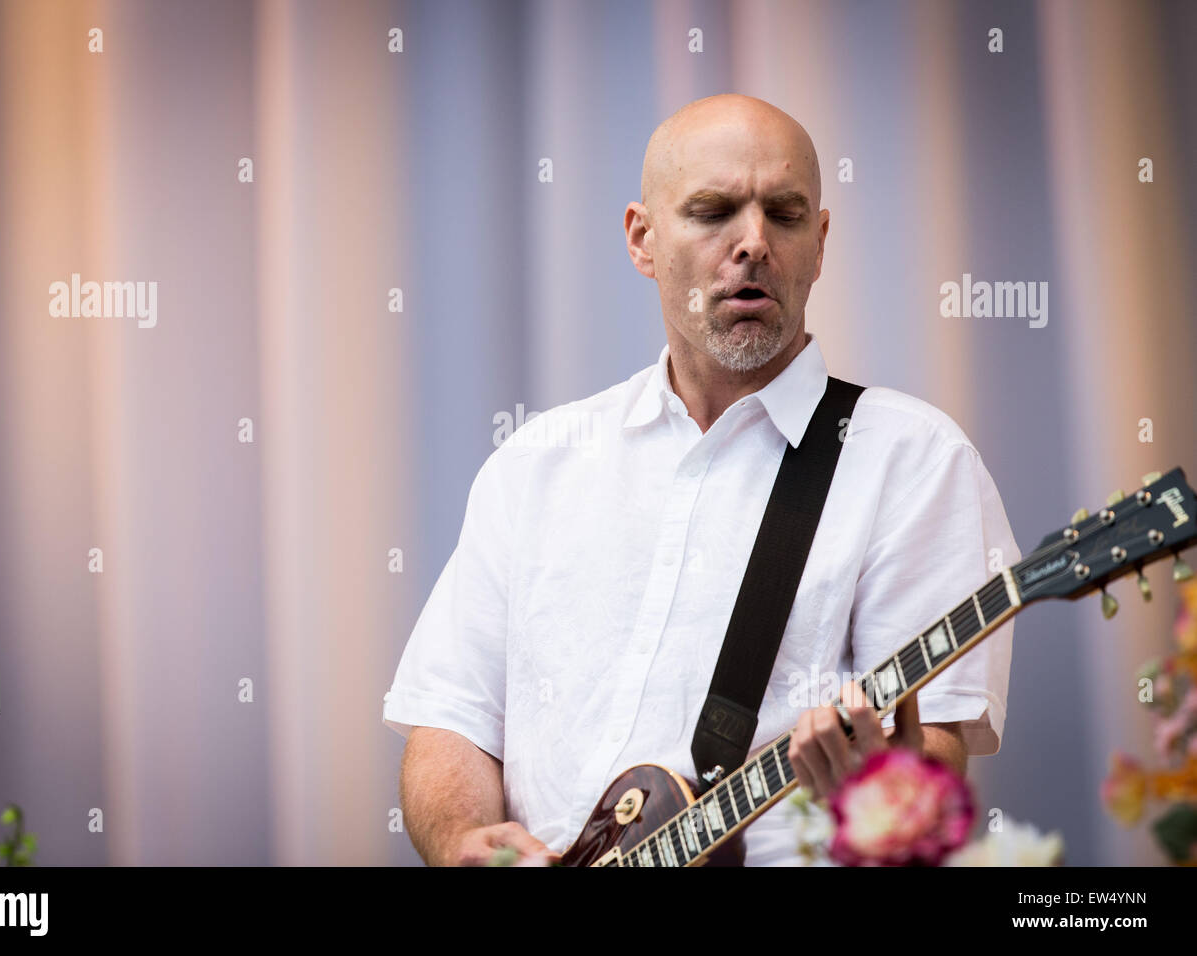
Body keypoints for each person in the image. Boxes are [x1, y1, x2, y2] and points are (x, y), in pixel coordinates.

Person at [382, 93, 1019, 867]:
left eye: (784, 215)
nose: (752, 242)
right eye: (714, 210)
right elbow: (453, 721)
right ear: (642, 240)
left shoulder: (914, 460)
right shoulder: (536, 464)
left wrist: (878, 783)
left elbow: (932, 760)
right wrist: (458, 842)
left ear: (819, 245)